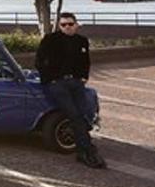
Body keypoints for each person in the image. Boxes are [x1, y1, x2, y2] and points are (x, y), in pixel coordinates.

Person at [36, 13, 105, 169]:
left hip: (75, 82)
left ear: (76, 24)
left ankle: (83, 150)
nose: (67, 27)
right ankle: (87, 151)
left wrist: (83, 77)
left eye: (70, 24)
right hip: (56, 84)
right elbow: (39, 61)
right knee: (74, 114)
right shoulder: (50, 40)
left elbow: (86, 61)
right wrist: (50, 79)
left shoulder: (82, 41)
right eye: (63, 25)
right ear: (59, 26)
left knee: (83, 113)